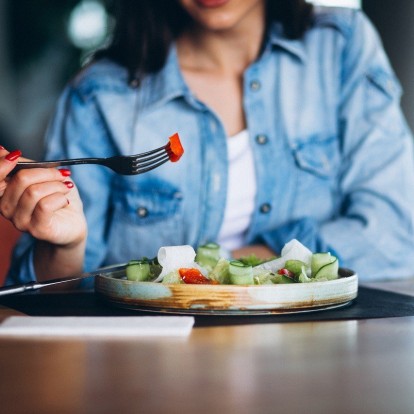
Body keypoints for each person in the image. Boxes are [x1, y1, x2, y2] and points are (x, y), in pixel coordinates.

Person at [1, 0, 414, 287]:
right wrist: (66, 243)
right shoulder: (99, 96)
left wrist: (242, 264)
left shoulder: (341, 46)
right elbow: (59, 295)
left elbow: (394, 233)